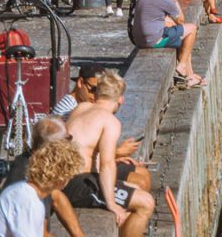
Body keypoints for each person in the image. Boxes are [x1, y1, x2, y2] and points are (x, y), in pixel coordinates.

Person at [63, 69, 155, 237]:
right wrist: (111, 203)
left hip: (67, 179)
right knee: (146, 203)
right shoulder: (110, 122)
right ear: (120, 99)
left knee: (135, 187)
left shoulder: (81, 107)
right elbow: (106, 164)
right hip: (77, 184)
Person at [0, 117, 86, 237]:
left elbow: (57, 197)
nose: (71, 141)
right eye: (68, 137)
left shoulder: (29, 159)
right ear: (57, 145)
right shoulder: (33, 178)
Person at [129, 0, 203, 87]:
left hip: (137, 38)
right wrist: (174, 0)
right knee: (191, 29)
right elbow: (180, 20)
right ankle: (182, 65)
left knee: (182, 37)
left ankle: (190, 75)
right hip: (152, 40)